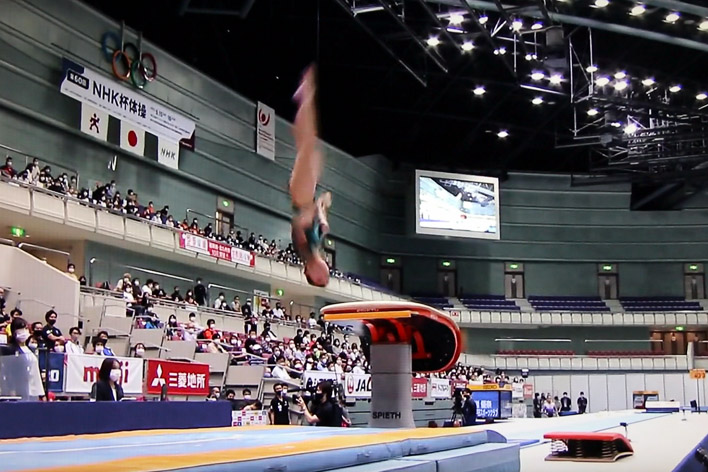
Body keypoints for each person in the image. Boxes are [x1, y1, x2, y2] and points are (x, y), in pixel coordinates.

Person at [289, 65, 332, 287]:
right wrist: (322, 210)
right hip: (308, 197)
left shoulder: (305, 251)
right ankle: (305, 96)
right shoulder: (317, 248)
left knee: (307, 145)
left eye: (324, 276)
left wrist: (310, 214)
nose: (328, 272)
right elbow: (322, 209)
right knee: (308, 144)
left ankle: (305, 95)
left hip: (300, 198)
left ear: (313, 274)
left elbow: (297, 224)